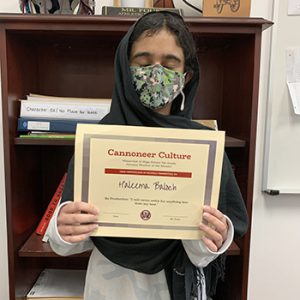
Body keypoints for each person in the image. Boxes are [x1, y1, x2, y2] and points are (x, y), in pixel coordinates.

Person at [47, 11, 248, 300]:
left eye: (170, 63)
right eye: (143, 62)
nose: (156, 73)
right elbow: (67, 243)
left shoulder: (202, 147)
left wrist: (214, 234)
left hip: (179, 285)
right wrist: (62, 228)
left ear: (186, 76)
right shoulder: (99, 142)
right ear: (124, 69)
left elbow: (209, 249)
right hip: (112, 286)